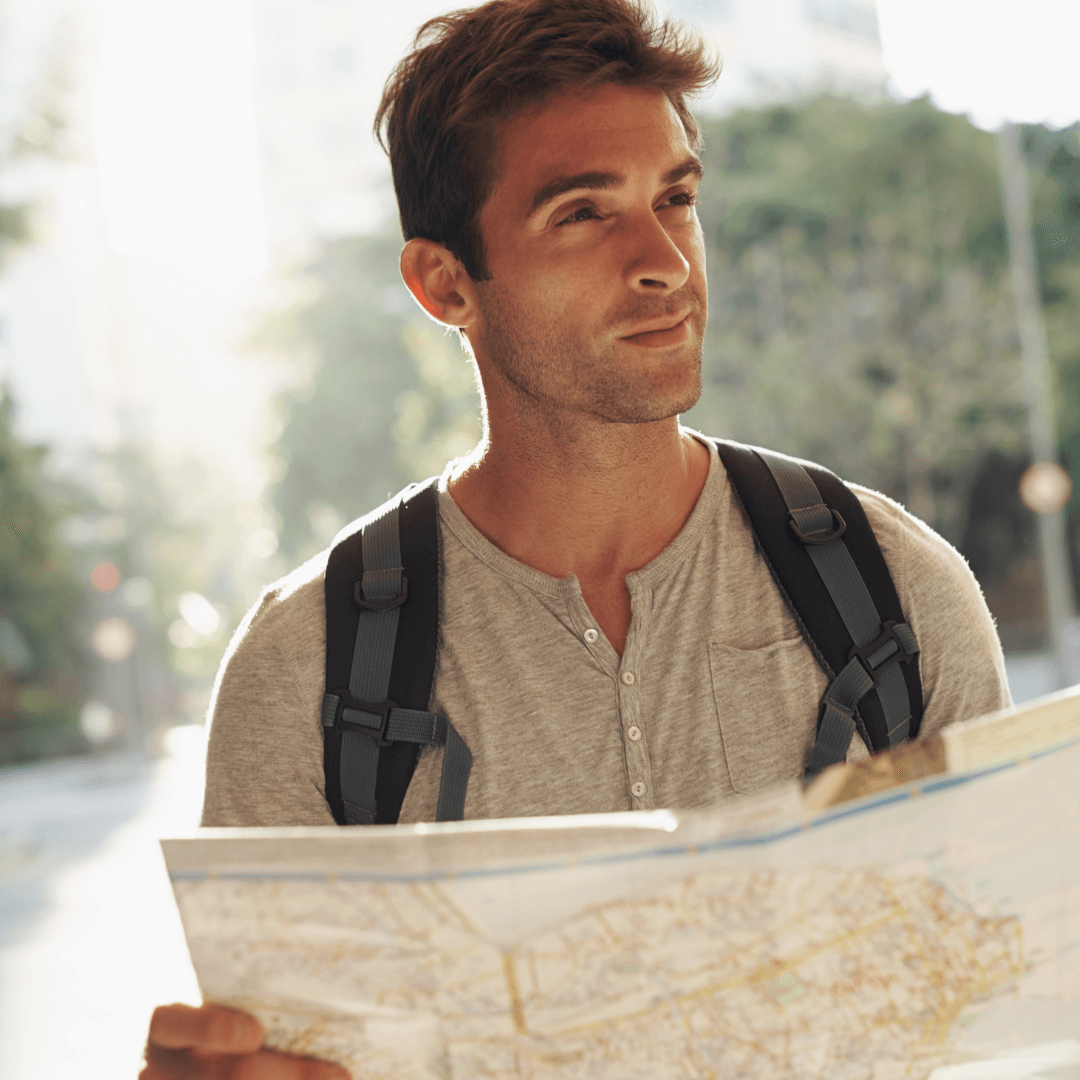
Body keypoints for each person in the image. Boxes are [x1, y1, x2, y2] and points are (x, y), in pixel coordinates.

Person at [141, 0, 1012, 1075]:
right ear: (444, 283)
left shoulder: (895, 593)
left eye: (676, 199)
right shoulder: (306, 667)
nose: (665, 262)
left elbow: (1005, 1014)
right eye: (583, 214)